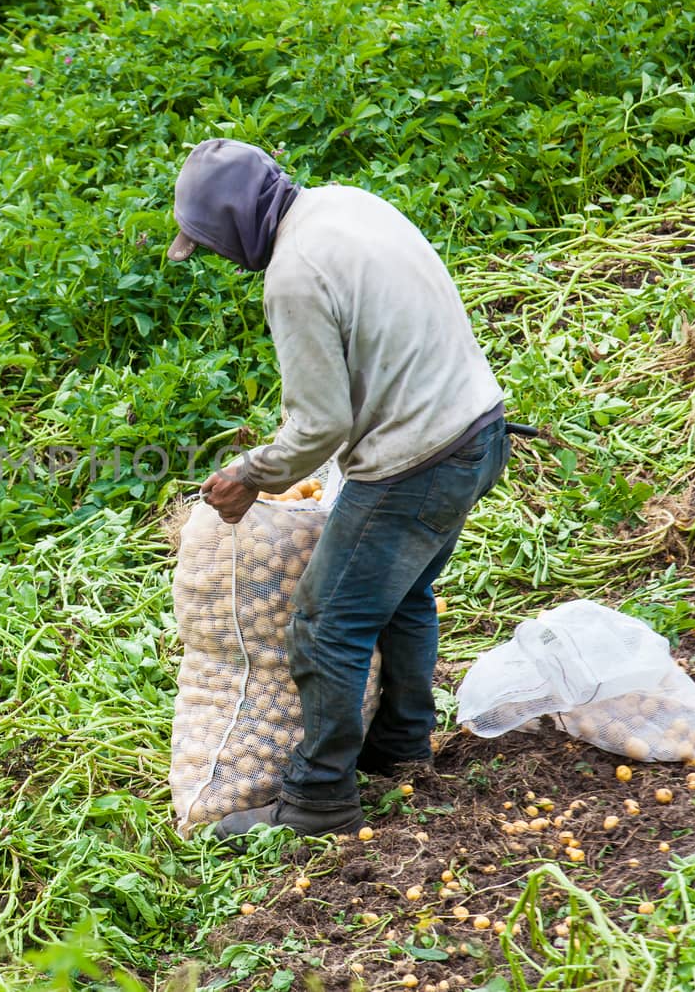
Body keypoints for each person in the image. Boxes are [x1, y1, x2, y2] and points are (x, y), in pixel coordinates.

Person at [169, 138, 511, 842]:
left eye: (213, 244)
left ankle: (320, 794)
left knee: (324, 621)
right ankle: (402, 746)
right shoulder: (344, 205)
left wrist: (249, 476)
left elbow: (321, 423)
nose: (223, 259)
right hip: (480, 429)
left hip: (417, 461)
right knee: (401, 593)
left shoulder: (292, 275)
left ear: (236, 222)